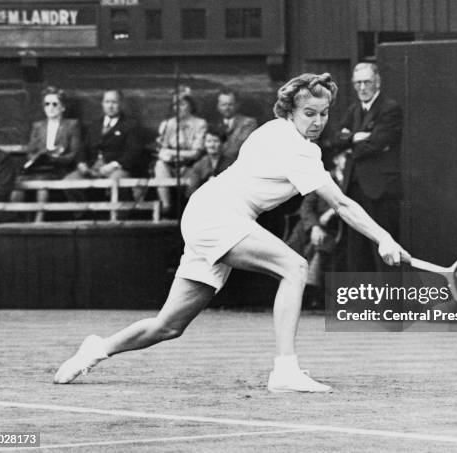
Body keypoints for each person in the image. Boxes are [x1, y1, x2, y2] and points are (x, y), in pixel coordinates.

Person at [54, 73, 409, 393]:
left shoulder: (274, 131)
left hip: (211, 211)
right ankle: (285, 369)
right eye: (310, 114)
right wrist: (384, 239)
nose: (318, 122)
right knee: (295, 267)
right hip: (218, 215)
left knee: (168, 325)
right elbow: (343, 204)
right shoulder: (296, 148)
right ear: (290, 112)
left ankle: (97, 349)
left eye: (324, 113)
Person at [333, 62, 403, 273]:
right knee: (357, 252)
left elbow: (377, 144)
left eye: (367, 82)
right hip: (354, 190)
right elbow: (336, 139)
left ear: (377, 82)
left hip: (379, 191)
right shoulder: (354, 109)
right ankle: (363, 305)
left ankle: (390, 306)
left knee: (384, 251)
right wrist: (356, 137)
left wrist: (350, 145)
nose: (362, 88)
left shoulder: (390, 108)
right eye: (358, 83)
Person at [286, 150, 347, 307]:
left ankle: (313, 290)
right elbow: (306, 206)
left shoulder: (352, 180)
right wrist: (314, 226)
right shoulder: (323, 178)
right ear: (336, 159)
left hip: (337, 227)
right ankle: (298, 290)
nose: (347, 161)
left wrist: (331, 212)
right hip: (312, 225)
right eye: (344, 156)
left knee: (321, 245)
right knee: (295, 244)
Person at [12, 86, 82, 203]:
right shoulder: (38, 126)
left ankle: (39, 219)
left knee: (41, 183)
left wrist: (56, 158)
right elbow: (31, 151)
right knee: (18, 183)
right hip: (38, 168)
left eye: (55, 104)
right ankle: (15, 216)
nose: (50, 108)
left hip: (58, 169)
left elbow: (73, 153)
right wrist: (37, 157)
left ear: (63, 107)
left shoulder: (71, 125)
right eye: (47, 104)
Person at [154, 93, 207, 216]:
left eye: (182, 104)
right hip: (171, 165)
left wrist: (172, 153)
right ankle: (166, 206)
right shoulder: (168, 124)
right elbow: (162, 149)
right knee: (159, 165)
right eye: (175, 104)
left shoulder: (200, 124)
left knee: (194, 173)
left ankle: (190, 210)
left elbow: (196, 152)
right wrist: (166, 154)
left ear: (191, 106)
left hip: (190, 165)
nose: (177, 108)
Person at [185, 125, 235, 198]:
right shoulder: (199, 165)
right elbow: (191, 191)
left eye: (215, 141)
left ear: (223, 144)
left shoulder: (232, 163)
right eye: (208, 141)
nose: (212, 145)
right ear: (205, 144)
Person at [215, 89, 258, 159]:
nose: (227, 108)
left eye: (230, 104)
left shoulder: (248, 123)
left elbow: (240, 147)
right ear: (218, 107)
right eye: (223, 105)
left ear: (237, 105)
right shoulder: (214, 125)